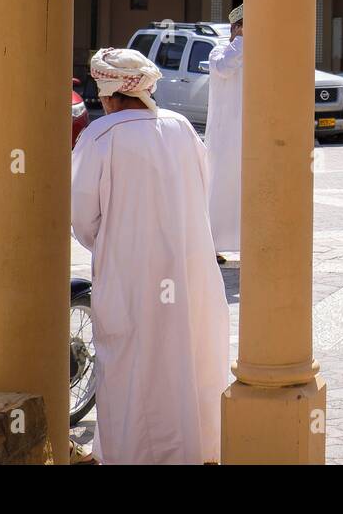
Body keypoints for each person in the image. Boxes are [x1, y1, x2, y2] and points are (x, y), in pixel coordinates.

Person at [71, 48, 228, 465]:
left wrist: (116, 246)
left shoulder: (99, 137)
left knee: (130, 364)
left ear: (106, 93)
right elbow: (202, 190)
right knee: (187, 356)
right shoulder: (180, 128)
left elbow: (83, 219)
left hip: (129, 276)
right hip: (189, 269)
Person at [205, 4, 244, 264]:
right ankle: (213, 245)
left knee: (246, 189)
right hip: (224, 134)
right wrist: (242, 40)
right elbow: (225, 67)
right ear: (234, 27)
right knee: (219, 187)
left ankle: (247, 243)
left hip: (249, 133)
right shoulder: (220, 51)